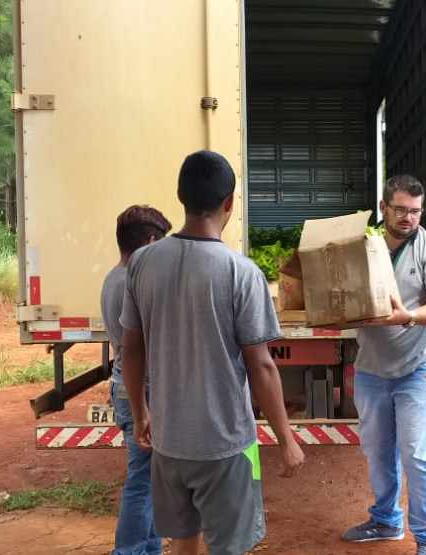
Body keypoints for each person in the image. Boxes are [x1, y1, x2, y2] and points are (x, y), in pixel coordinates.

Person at [119, 150, 305, 555]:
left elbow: (130, 351)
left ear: (180, 196)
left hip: (168, 442)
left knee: (185, 542)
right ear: (229, 203)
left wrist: (140, 415)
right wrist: (286, 439)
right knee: (230, 546)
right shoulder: (241, 272)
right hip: (227, 446)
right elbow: (262, 367)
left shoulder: (143, 264)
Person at [341, 174, 426, 555]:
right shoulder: (364, 246)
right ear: (383, 208)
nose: (408, 218)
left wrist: (406, 317)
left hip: (419, 364)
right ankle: (385, 521)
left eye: (415, 211)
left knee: (417, 453)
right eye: (401, 210)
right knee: (376, 449)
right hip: (372, 365)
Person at [101, 205, 172, 555]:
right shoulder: (133, 283)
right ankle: (128, 551)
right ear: (149, 243)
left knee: (151, 481)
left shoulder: (114, 277)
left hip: (131, 391)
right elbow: (137, 351)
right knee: (142, 482)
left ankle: (148, 549)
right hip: (139, 394)